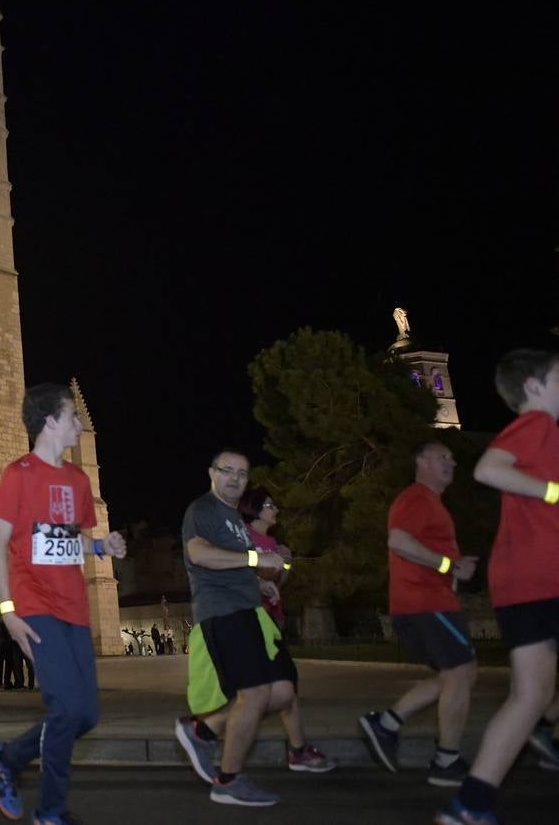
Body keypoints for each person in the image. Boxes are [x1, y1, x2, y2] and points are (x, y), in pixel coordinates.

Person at [0, 383, 127, 824]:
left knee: (85, 715)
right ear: (50, 421)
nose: (80, 425)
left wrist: (102, 546)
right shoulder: (19, 474)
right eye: (72, 417)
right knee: (66, 709)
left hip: (75, 609)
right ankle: (51, 811)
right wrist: (9, 613)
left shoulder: (79, 480)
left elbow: (71, 535)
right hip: (36, 605)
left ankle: (8, 757)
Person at [439, 350, 559, 825]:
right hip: (542, 577)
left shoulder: (544, 433)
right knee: (531, 695)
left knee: (529, 697)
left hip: (522, 580)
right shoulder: (538, 424)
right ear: (533, 386)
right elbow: (488, 469)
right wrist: (554, 491)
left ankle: (471, 804)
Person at [184, 487, 334, 776]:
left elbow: (279, 581)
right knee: (267, 692)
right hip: (246, 618)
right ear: (255, 509)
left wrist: (284, 562)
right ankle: (234, 766)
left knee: (283, 690)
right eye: (269, 504)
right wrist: (257, 577)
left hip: (269, 617)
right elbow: (229, 568)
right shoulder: (244, 537)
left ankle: (207, 733)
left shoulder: (271, 542)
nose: (275, 508)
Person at [173, 449, 289, 806]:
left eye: (243, 473)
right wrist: (256, 558)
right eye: (228, 471)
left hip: (249, 610)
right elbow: (199, 554)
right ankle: (228, 780)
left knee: (281, 693)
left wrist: (259, 583)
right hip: (223, 613)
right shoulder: (203, 510)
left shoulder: (235, 520)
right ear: (212, 473)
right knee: (254, 695)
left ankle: (202, 730)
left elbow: (233, 565)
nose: (236, 478)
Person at [358, 443, 477, 788]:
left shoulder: (433, 503)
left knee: (453, 676)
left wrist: (455, 569)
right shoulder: (417, 498)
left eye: (453, 458)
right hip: (426, 603)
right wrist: (447, 564)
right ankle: (446, 760)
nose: (451, 462)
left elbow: (419, 550)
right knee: (462, 671)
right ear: (421, 461)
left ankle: (387, 725)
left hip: (426, 602)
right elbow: (397, 540)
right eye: (443, 456)